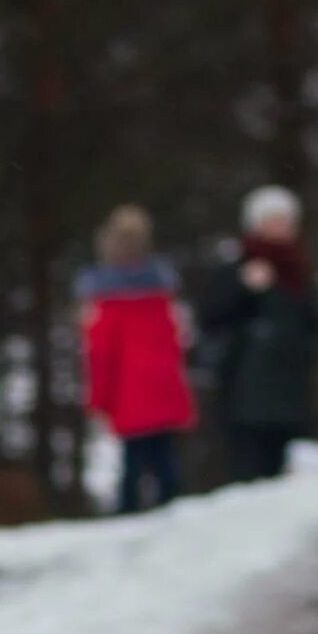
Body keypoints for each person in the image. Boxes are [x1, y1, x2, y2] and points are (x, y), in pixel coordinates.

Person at [196, 185, 318, 484]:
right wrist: (244, 288)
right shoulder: (236, 270)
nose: (280, 228)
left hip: (290, 392)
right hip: (244, 395)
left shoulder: (298, 274)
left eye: (285, 221)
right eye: (272, 220)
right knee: (248, 471)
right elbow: (212, 318)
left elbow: (312, 327)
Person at [75, 205, 197, 515]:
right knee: (164, 460)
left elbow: (99, 356)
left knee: (133, 462)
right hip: (162, 386)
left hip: (129, 393)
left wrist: (98, 399)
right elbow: (178, 345)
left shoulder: (106, 305)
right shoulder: (161, 297)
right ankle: (170, 515)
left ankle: (129, 518)